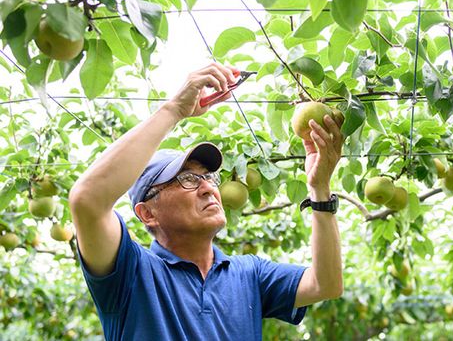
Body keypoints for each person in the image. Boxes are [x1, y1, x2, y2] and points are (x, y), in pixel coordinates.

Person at [68, 63, 344, 340]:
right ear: (147, 213)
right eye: (187, 179)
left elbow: (326, 284)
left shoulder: (249, 274)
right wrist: (174, 110)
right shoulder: (131, 274)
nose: (208, 188)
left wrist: (319, 188)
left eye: (209, 177)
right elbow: (86, 200)